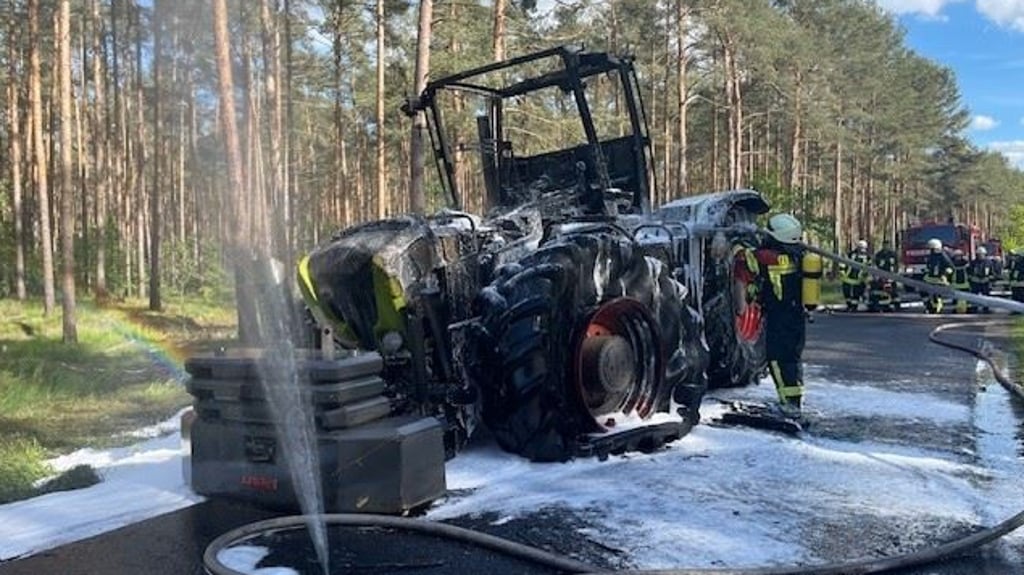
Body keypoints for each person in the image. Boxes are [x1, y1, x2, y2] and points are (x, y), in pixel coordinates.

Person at [733, 213, 807, 417]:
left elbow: (746, 257)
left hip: (781, 317)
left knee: (777, 359)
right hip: (796, 316)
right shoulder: (799, 256)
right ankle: (793, 402)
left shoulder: (771, 258)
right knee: (791, 359)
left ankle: (789, 406)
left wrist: (737, 246)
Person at [923, 238, 953, 314]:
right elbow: (929, 266)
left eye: (932, 249)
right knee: (923, 291)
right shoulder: (931, 256)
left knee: (936, 294)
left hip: (940, 279)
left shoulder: (943, 256)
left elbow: (950, 267)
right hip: (930, 278)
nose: (931, 250)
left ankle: (936, 308)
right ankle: (929, 306)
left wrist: (944, 274)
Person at [839, 239, 870, 311]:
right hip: (847, 278)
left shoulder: (867, 258)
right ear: (858, 247)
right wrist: (842, 272)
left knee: (856, 294)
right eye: (861, 248)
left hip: (859, 280)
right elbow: (843, 263)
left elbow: (869, 269)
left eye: (864, 248)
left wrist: (865, 278)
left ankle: (854, 307)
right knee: (847, 294)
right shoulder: (851, 254)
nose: (862, 250)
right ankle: (849, 305)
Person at [871, 238, 901, 309]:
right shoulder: (879, 254)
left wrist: (896, 274)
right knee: (878, 288)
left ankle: (895, 304)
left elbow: (896, 265)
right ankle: (879, 303)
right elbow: (875, 264)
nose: (886, 246)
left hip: (891, 275)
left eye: (887, 245)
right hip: (881, 275)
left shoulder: (893, 254)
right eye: (884, 245)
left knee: (893, 290)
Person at [967, 246, 994, 313]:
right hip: (975, 283)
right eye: (979, 254)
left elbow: (992, 272)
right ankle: (974, 309)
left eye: (982, 254)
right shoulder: (973, 263)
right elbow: (969, 272)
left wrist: (990, 278)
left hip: (985, 283)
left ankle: (986, 309)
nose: (980, 256)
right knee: (974, 297)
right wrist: (971, 279)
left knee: (986, 297)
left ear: (985, 254)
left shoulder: (989, 262)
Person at [949, 249, 970, 314]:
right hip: (955, 284)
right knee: (955, 299)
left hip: (965, 284)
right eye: (956, 256)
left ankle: (966, 309)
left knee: (966, 298)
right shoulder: (951, 264)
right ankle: (955, 309)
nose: (958, 258)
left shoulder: (966, 264)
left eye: (959, 256)